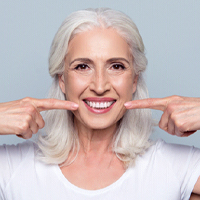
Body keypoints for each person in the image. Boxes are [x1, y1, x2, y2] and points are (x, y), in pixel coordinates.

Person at [0, 8, 200, 200]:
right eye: (83, 66)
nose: (99, 85)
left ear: (134, 80)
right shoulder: (11, 168)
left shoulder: (175, 167)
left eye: (116, 66)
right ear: (62, 79)